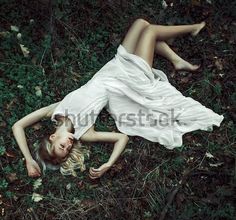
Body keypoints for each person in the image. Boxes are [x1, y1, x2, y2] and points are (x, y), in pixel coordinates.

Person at [12, 18, 224, 179]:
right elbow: (121, 138)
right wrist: (108, 164)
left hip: (112, 69)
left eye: (62, 147)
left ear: (52, 138)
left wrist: (29, 160)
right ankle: (192, 29)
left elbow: (18, 126)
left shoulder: (54, 111)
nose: (68, 146)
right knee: (148, 31)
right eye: (67, 151)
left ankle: (175, 58)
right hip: (125, 80)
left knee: (141, 23)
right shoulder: (85, 133)